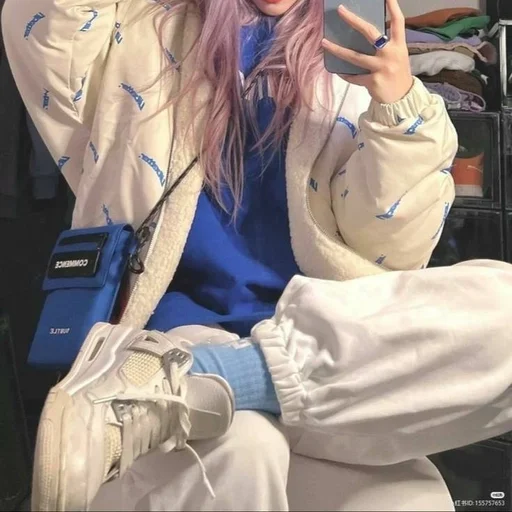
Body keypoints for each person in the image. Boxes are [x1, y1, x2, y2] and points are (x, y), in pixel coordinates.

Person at [8, 0, 512, 511]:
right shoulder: (140, 30)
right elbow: (49, 29)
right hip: (180, 334)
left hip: (332, 354)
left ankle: (222, 377)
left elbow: (389, 253)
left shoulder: (352, 51)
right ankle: (191, 383)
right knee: (242, 449)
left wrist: (398, 109)